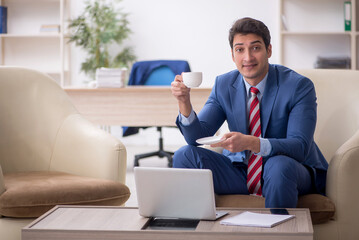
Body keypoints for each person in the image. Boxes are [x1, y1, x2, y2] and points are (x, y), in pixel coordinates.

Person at [170, 17, 328, 208]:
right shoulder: (224, 85)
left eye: (255, 48)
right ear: (232, 55)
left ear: (268, 50)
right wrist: (184, 102)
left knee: (278, 166)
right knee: (184, 155)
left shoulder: (298, 86)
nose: (248, 58)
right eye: (240, 49)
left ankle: (276, 234)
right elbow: (196, 138)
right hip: (242, 171)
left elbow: (300, 147)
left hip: (290, 171)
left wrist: (252, 143)